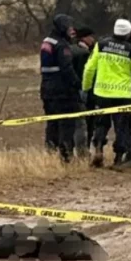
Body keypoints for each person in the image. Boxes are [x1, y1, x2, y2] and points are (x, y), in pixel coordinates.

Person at [83, 18, 131, 168]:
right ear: (128, 33)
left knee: (101, 124)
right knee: (122, 128)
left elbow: (89, 68)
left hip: (102, 93)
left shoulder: (101, 45)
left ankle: (99, 147)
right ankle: (118, 158)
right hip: (122, 95)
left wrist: (87, 87)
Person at [39, 14, 81, 162]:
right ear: (62, 27)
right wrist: (78, 84)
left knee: (52, 123)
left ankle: (50, 154)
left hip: (46, 89)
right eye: (69, 27)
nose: (72, 30)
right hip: (62, 92)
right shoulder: (62, 45)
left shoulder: (46, 41)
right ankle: (66, 156)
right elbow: (67, 69)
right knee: (67, 124)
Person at [70, 27, 98, 157]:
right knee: (86, 124)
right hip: (85, 91)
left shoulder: (72, 50)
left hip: (75, 92)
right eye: (90, 36)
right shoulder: (83, 54)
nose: (93, 39)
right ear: (83, 38)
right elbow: (85, 73)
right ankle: (83, 151)